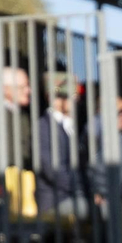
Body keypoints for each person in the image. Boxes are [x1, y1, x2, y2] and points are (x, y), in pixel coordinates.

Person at [35, 74, 84, 217]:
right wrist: (82, 190)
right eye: (69, 95)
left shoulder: (70, 127)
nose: (76, 99)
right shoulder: (43, 127)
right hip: (55, 201)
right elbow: (52, 169)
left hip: (71, 196)